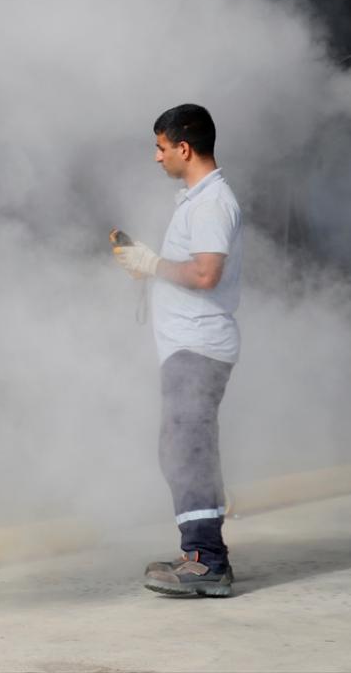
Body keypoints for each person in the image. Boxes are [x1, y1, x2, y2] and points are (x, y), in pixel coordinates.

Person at [112, 103, 242, 598]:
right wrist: (150, 266)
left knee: (189, 450)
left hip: (199, 345)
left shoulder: (211, 203)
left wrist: (152, 264)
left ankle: (207, 562)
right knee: (179, 448)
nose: (156, 157)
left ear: (183, 148)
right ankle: (199, 554)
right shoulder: (196, 200)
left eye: (161, 147)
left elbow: (207, 274)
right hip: (189, 346)